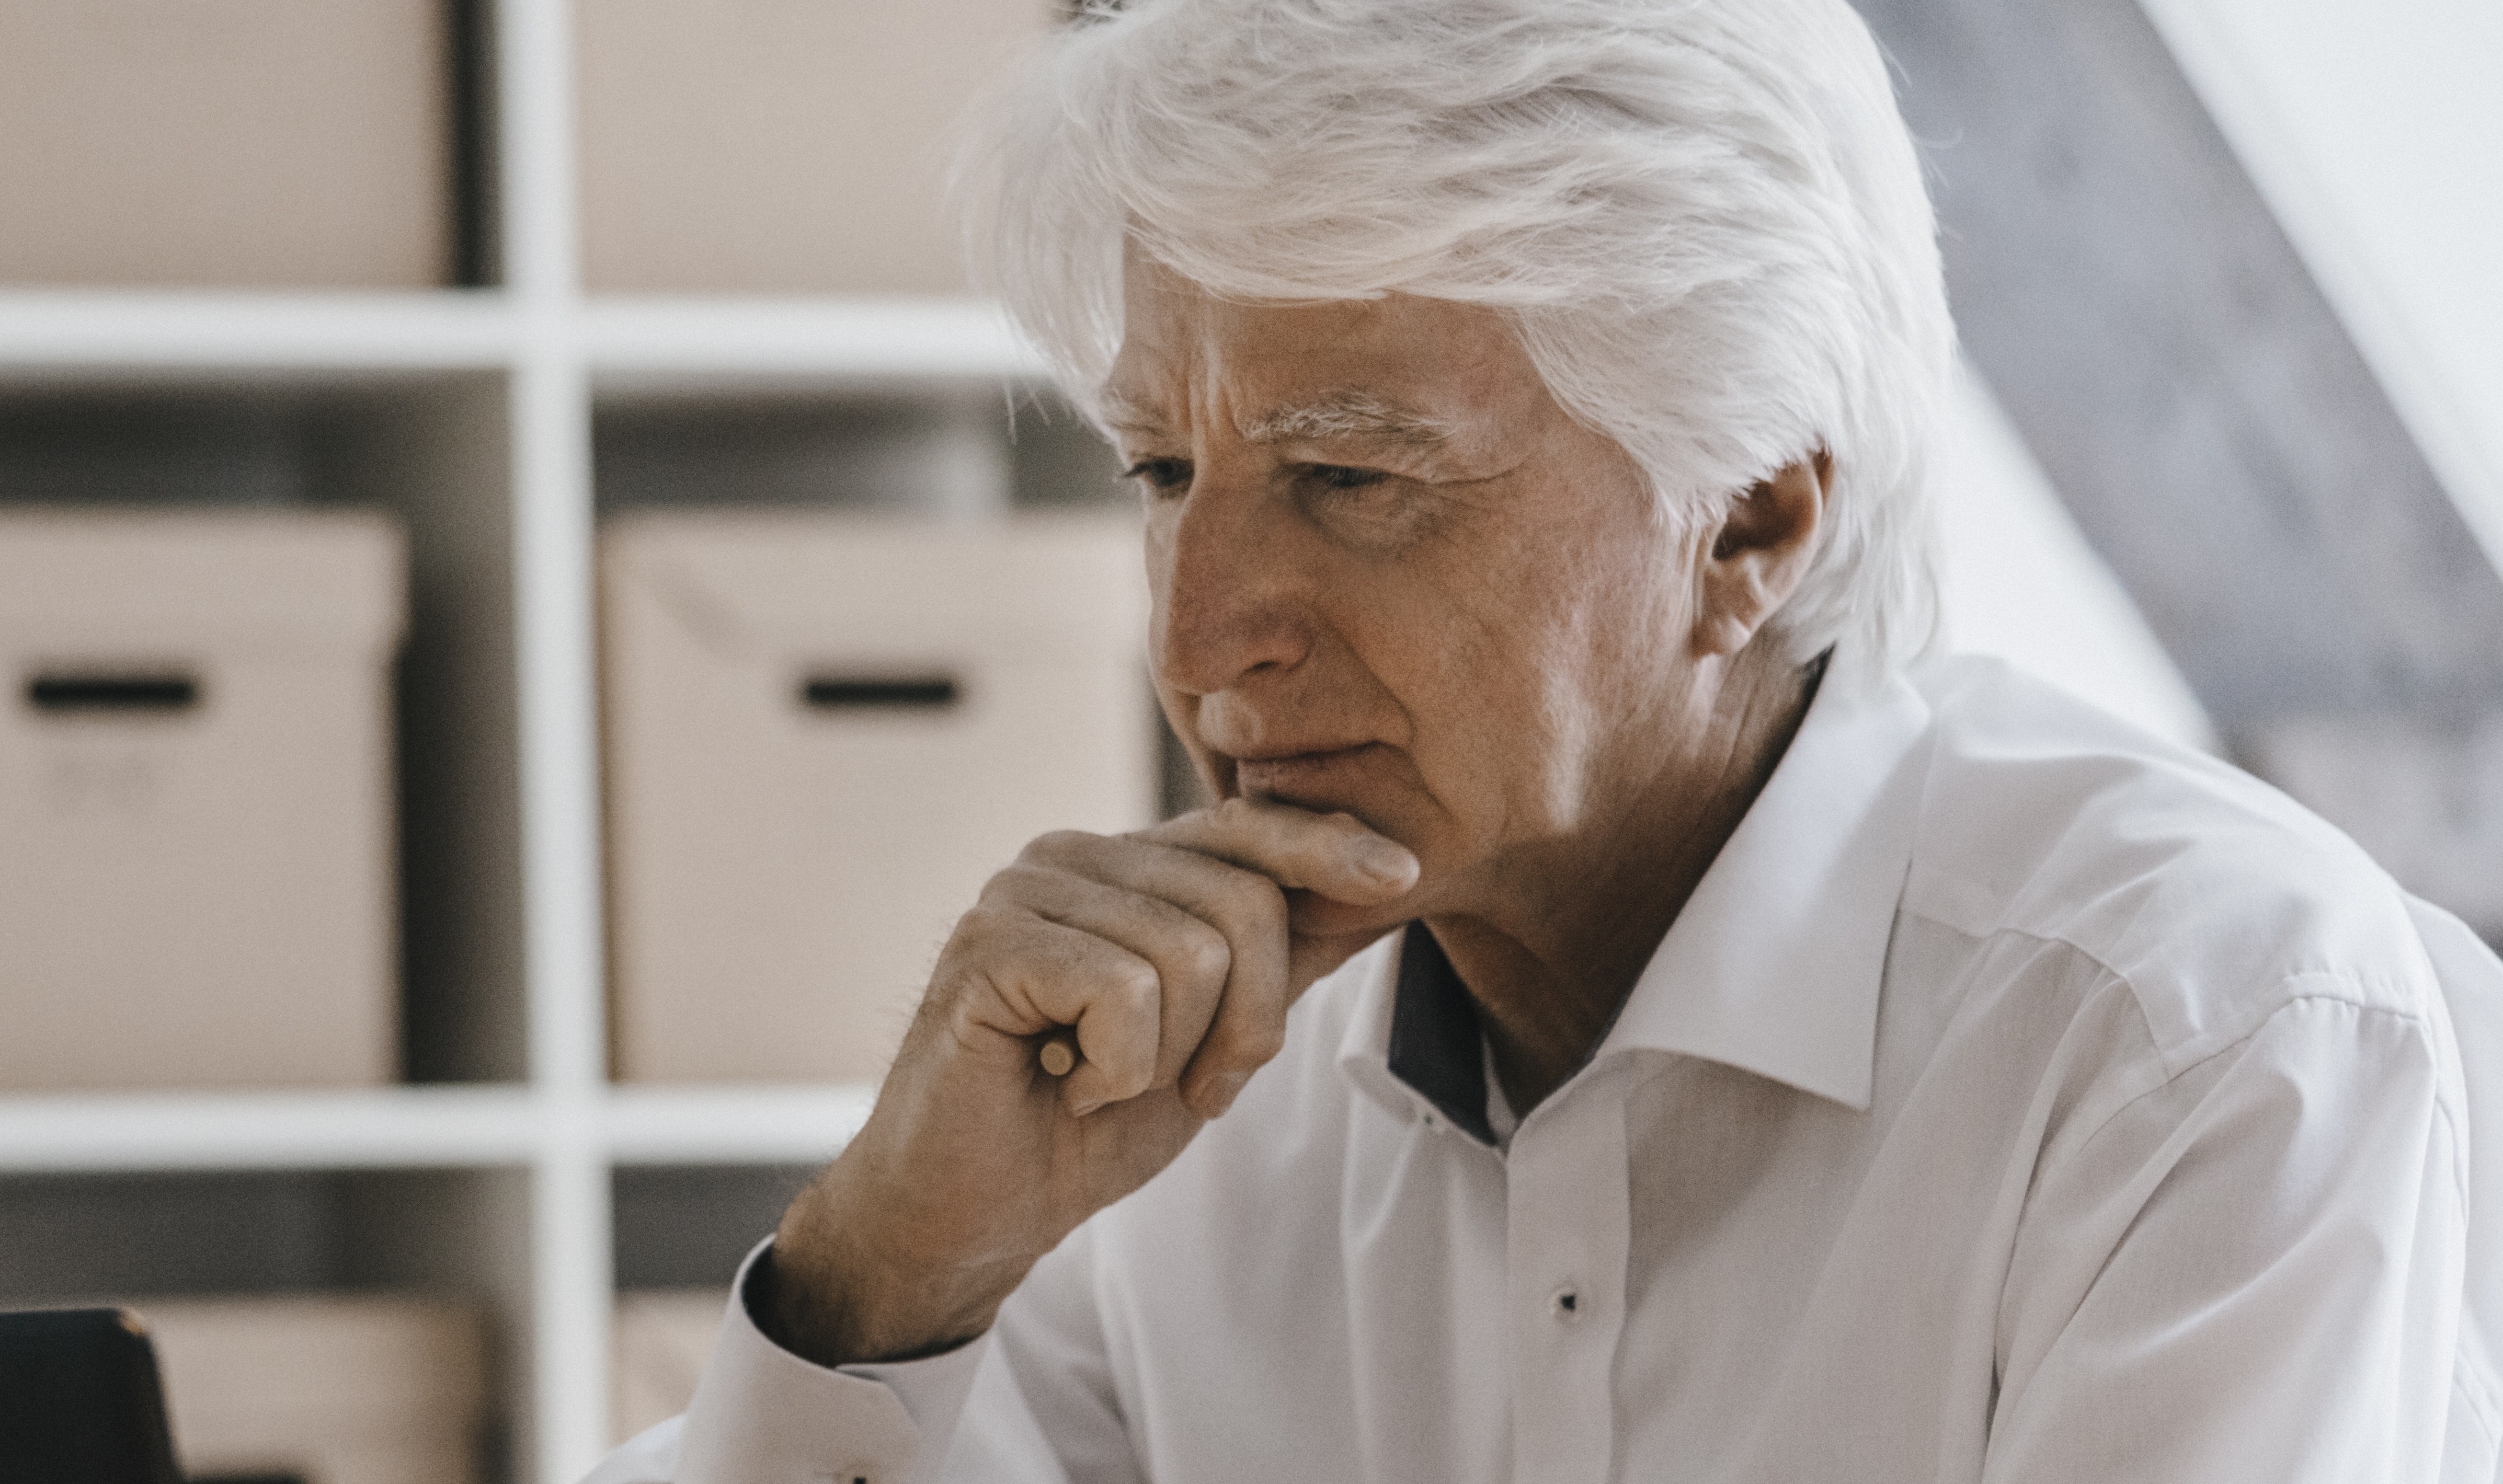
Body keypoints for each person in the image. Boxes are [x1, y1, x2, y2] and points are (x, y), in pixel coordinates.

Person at [589, 0, 2503, 1478]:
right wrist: (883, 1282)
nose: (1192, 635)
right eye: (1162, 470)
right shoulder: (1172, 1110)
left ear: (1750, 519)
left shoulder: (2206, 1033)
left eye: (1347, 474)